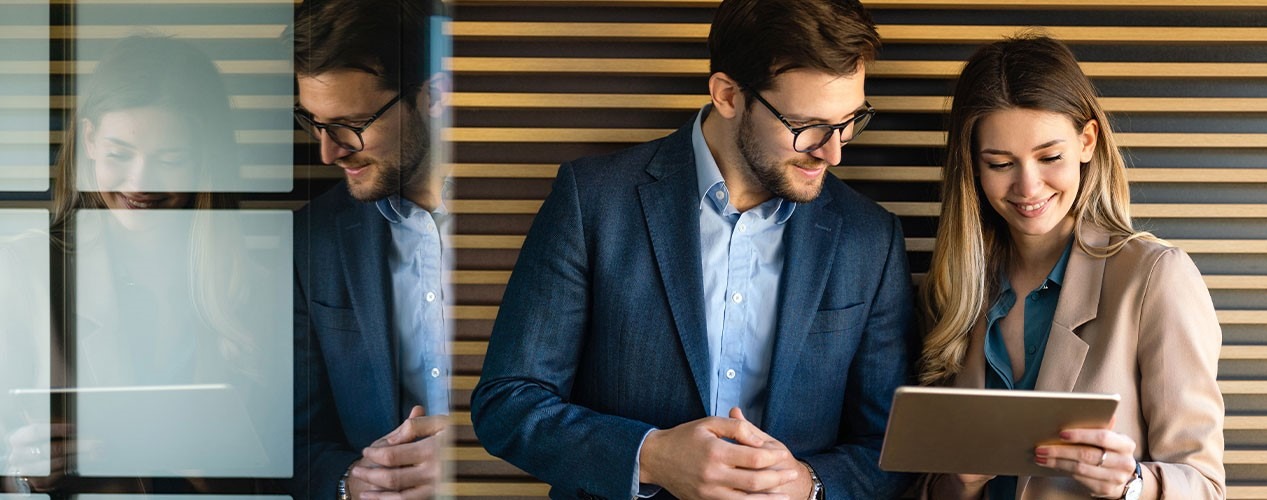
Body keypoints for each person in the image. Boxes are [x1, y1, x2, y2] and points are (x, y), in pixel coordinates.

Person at [472, 0, 916, 498]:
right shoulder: (592, 201)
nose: (833, 152)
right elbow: (508, 403)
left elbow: (890, 447)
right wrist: (652, 456)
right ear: (727, 95)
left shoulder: (870, 238)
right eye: (805, 125)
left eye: (850, 120)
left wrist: (808, 484)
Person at [916, 34, 1225, 500]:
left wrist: (1132, 485)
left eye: (1050, 157)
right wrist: (958, 484)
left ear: (1086, 141)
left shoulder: (1155, 278)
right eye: (1000, 163)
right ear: (973, 165)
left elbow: (1205, 486)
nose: (1028, 187)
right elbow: (924, 480)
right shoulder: (952, 290)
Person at [2, 35, 279, 490]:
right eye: (119, 154)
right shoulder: (22, 270)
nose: (140, 182)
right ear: (89, 140)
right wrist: (24, 478)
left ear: (204, 158)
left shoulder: (256, 286)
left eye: (171, 159)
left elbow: (293, 456)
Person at [289, 0, 453, 499]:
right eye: (313, 122)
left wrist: (481, 457)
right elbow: (292, 439)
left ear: (433, 97)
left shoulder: (546, 213)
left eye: (352, 124)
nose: (329, 151)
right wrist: (351, 483)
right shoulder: (311, 239)